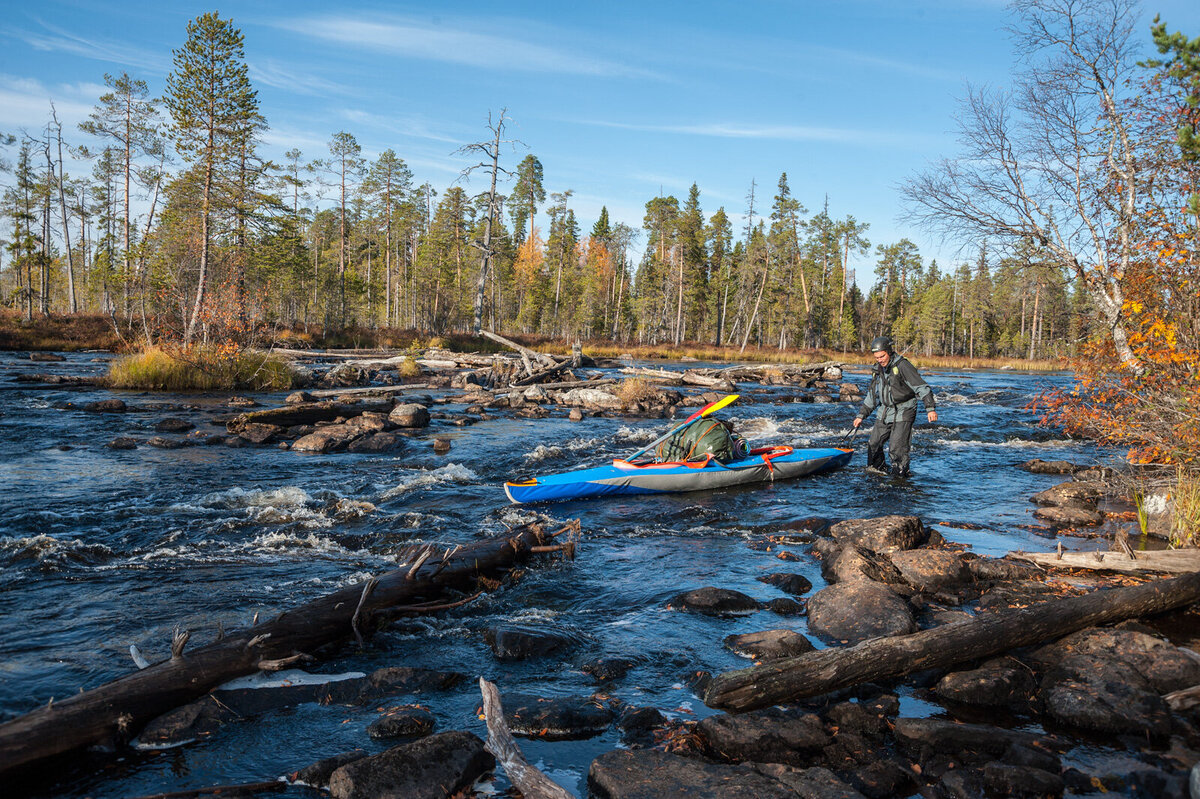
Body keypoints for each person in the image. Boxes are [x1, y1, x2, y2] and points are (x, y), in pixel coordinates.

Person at [851, 336, 937, 477]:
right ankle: (877, 473)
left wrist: (930, 408)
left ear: (889, 352)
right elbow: (873, 395)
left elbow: (922, 387)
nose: (880, 360)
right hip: (885, 410)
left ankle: (900, 477)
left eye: (882, 356)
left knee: (896, 448)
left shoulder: (903, 366)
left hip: (905, 409)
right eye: (877, 357)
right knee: (873, 444)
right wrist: (861, 415)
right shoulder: (877, 369)